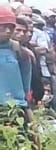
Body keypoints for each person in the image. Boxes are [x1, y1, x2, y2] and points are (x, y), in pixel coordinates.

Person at [0, 5, 34, 141]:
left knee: (22, 147)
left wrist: (27, 106)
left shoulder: (19, 52)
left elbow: (26, 81)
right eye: (3, 27)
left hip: (16, 108)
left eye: (11, 27)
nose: (8, 31)